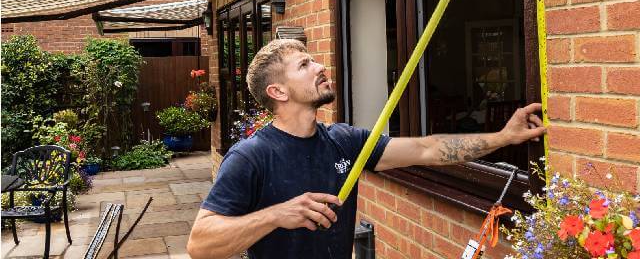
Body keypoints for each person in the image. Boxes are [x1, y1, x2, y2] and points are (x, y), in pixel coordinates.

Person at [186, 39, 546, 259]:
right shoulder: (251, 156)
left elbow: (427, 150)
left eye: (313, 59)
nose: (320, 65)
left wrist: (503, 137)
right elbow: (200, 245)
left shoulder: (343, 141)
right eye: (304, 65)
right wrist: (277, 215)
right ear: (278, 92)